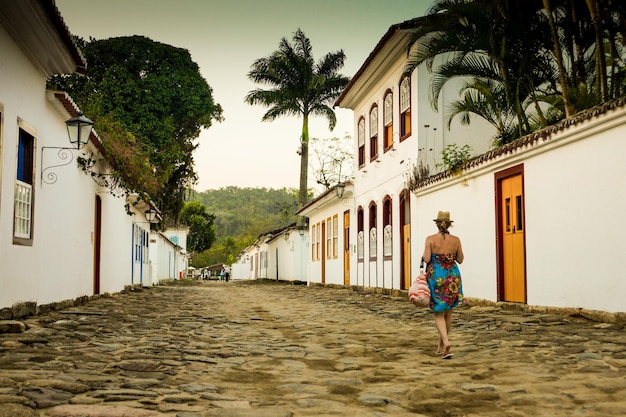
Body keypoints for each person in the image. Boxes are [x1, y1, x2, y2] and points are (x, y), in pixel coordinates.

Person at [421, 211, 464, 359]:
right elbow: (461, 259)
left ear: (437, 224)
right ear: (449, 224)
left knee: (439, 312)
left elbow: (426, 259)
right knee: (448, 312)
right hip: (452, 277)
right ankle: (441, 346)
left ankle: (445, 342)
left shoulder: (430, 239)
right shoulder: (456, 240)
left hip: (437, 277)